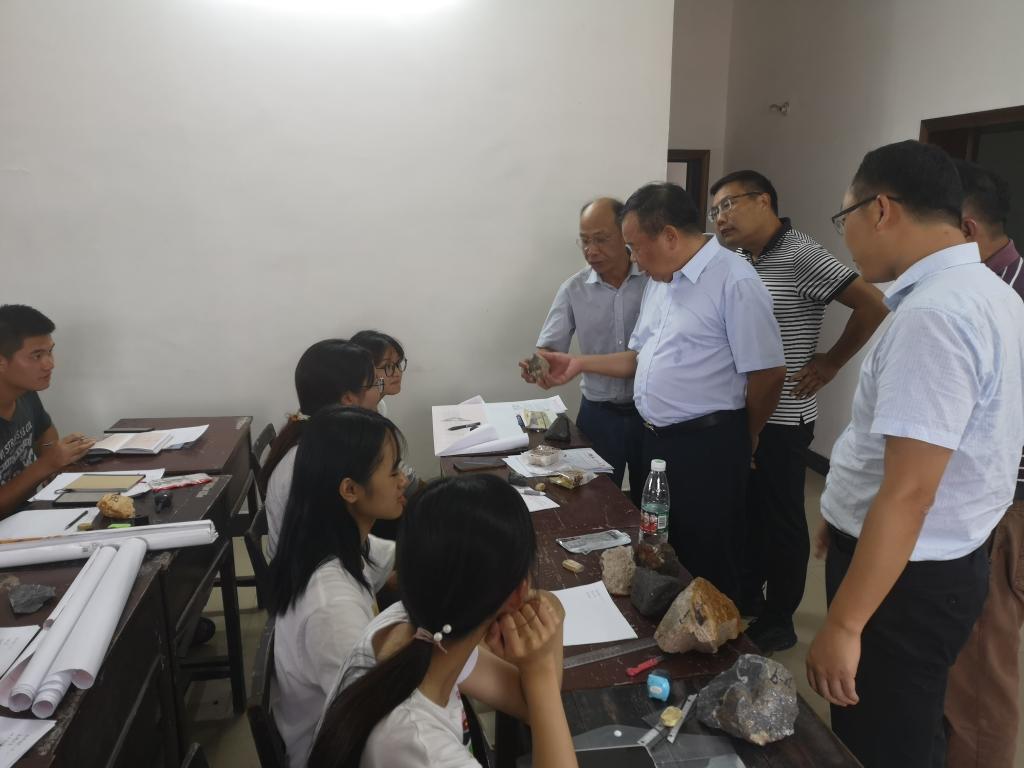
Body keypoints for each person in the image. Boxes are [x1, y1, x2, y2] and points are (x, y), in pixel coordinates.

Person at [805, 140, 1024, 768]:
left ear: (880, 209)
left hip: (907, 582)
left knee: (881, 742)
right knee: (914, 723)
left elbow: (910, 493)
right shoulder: (989, 292)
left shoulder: (935, 314)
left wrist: (844, 625)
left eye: (843, 217)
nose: (845, 238)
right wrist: (844, 510)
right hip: (929, 560)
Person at [540, 183, 786, 602]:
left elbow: (769, 372)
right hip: (656, 440)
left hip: (708, 442)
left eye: (636, 247)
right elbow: (638, 358)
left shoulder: (734, 280)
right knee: (660, 546)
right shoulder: (662, 281)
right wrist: (580, 364)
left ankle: (713, 635)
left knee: (708, 551)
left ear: (670, 236)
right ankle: (666, 626)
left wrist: (747, 433)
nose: (633, 258)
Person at [709, 170, 889, 651]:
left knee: (781, 519)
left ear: (764, 201)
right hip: (747, 411)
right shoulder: (742, 258)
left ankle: (779, 618)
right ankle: (748, 595)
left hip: (784, 415)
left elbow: (872, 304)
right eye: (715, 210)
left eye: (728, 204)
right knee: (747, 512)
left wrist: (831, 362)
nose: (720, 217)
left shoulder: (799, 253)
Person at [308, 475, 576, 768]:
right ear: (517, 594)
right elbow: (538, 705)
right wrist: (540, 668)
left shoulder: (414, 625)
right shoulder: (421, 749)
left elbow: (528, 705)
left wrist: (549, 612)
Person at [269, 405, 407, 768]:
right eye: (393, 470)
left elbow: (399, 559)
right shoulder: (331, 607)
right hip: (340, 752)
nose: (403, 480)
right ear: (350, 489)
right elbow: (374, 726)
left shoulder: (332, 540)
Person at [944, 160, 1024, 768]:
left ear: (965, 228)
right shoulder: (975, 290)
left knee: (981, 672)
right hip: (974, 499)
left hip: (1003, 505)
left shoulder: (1008, 296)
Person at [520, 198, 648, 505]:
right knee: (594, 500)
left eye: (601, 239)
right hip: (599, 415)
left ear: (625, 234)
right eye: (585, 241)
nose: (591, 250)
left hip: (650, 415)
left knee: (651, 499)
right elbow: (549, 349)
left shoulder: (653, 281)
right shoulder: (573, 289)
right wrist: (539, 369)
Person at [261, 339, 384, 558]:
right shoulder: (315, 462)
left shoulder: (321, 439)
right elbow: (327, 552)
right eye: (374, 384)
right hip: (311, 573)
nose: (379, 392)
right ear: (348, 399)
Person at [0, 304, 94, 518]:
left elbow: (45, 430)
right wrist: (48, 463)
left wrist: (54, 458)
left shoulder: (24, 392)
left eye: (50, 352)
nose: (49, 364)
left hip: (30, 514)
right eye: (37, 356)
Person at [351, 330, 407, 419]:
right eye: (386, 366)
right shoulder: (353, 415)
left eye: (397, 364)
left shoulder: (380, 406)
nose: (397, 373)